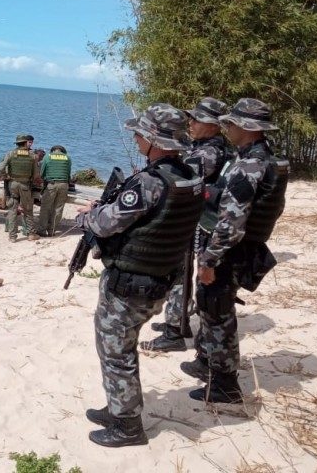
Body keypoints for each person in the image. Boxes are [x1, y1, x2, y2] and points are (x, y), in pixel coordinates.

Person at [75, 104, 203, 447]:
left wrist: (88, 215)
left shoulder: (149, 182)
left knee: (117, 351)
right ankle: (119, 408)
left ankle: (128, 426)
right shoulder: (189, 176)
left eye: (140, 134)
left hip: (131, 284)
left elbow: (105, 223)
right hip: (161, 278)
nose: (135, 138)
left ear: (153, 139)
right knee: (120, 347)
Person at [181, 98, 289, 404]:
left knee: (217, 311)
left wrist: (209, 259)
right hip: (242, 248)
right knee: (213, 307)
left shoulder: (248, 166)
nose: (227, 127)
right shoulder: (260, 157)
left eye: (231, 123)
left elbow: (231, 222)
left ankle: (225, 386)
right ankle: (207, 362)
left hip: (230, 251)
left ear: (248, 128)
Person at [142, 97, 231, 352]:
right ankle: (179, 321)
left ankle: (174, 331)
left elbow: (180, 177)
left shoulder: (209, 151)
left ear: (213, 125)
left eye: (196, 119)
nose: (190, 123)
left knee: (179, 272)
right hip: (195, 218)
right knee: (179, 271)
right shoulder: (204, 145)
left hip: (195, 220)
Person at [0, 134, 40, 242]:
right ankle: (31, 234)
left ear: (17, 144)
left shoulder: (10, 154)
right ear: (26, 143)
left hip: (13, 184)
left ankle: (12, 236)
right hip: (25, 185)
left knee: (12, 209)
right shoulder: (33, 156)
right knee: (28, 210)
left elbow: (1, 168)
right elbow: (36, 175)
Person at [37, 145, 72, 237]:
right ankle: (52, 231)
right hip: (64, 185)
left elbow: (42, 173)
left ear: (53, 150)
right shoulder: (67, 158)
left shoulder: (48, 156)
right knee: (58, 208)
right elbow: (68, 173)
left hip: (51, 185)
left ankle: (42, 230)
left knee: (45, 208)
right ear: (62, 151)